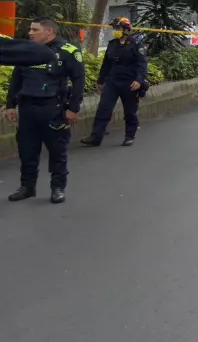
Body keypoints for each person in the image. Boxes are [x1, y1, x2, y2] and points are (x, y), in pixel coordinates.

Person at [5, 18, 86, 204]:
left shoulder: (68, 51)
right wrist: (10, 105)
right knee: (26, 150)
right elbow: (16, 79)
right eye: (30, 30)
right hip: (27, 108)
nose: (30, 33)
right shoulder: (27, 51)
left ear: (49, 31)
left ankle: (58, 187)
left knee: (57, 151)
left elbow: (79, 80)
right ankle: (27, 186)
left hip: (53, 109)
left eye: (35, 30)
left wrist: (73, 108)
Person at [81, 17, 149, 147]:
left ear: (126, 30)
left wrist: (139, 80)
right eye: (115, 28)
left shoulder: (136, 45)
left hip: (129, 83)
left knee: (130, 111)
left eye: (118, 28)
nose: (115, 31)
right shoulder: (112, 44)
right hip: (112, 82)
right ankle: (96, 137)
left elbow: (142, 64)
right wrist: (101, 80)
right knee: (103, 109)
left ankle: (129, 136)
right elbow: (106, 64)